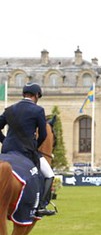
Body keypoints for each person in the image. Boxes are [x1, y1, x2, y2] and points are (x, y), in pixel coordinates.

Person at [0, 82, 56, 217]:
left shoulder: (10, 109)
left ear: (24, 94)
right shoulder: (38, 110)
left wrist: (4, 140)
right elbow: (43, 134)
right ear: (36, 96)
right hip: (26, 152)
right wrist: (34, 147)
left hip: (7, 151)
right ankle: (40, 206)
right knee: (49, 175)